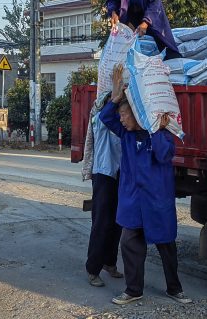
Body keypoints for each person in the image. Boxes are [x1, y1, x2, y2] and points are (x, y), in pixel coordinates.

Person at [98, 64, 191, 306]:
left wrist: (157, 130)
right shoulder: (126, 134)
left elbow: (163, 155)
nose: (121, 119)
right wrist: (115, 99)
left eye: (124, 115)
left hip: (157, 200)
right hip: (133, 200)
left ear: (137, 115)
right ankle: (133, 290)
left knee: (166, 245)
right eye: (120, 115)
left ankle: (175, 288)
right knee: (130, 243)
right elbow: (105, 117)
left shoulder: (160, 134)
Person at [84, 95, 124, 287]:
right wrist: (114, 98)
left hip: (119, 175)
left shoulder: (121, 123)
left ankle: (109, 262)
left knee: (117, 223)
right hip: (103, 174)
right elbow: (105, 116)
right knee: (102, 223)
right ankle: (93, 269)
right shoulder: (100, 120)